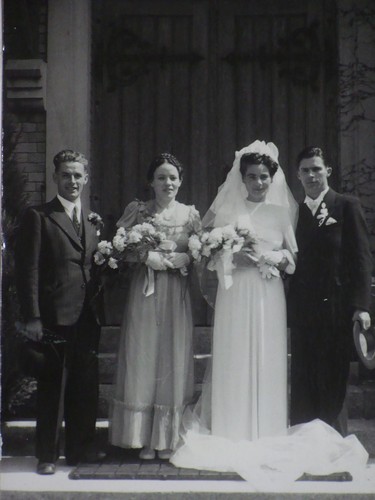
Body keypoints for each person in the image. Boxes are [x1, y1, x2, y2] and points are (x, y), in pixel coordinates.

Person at [170, 142, 369, 486]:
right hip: (239, 298)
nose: (259, 182)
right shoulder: (232, 212)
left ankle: (310, 442)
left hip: (280, 301)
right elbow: (210, 254)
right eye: (252, 177)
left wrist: (275, 260)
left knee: (279, 365)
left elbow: (294, 260)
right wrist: (234, 258)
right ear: (242, 179)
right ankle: (235, 429)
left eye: (264, 176)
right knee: (243, 361)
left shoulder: (287, 213)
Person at [15, 150, 104, 474]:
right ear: (55, 177)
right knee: (53, 385)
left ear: (86, 178)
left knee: (85, 385)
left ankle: (80, 451)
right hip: (53, 314)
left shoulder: (93, 221)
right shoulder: (39, 216)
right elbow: (28, 270)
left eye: (78, 175)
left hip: (88, 315)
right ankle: (47, 456)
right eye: (66, 175)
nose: (72, 181)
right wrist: (33, 317)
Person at [109, 153, 201, 460]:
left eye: (173, 177)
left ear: (181, 181)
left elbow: (203, 250)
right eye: (161, 177)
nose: (168, 183)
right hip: (145, 292)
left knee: (172, 356)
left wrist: (188, 257)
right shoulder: (139, 211)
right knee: (143, 354)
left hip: (176, 293)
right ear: (151, 182)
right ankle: (143, 438)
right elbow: (120, 247)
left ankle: (169, 437)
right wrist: (144, 257)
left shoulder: (190, 215)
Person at [288, 146, 373, 434]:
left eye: (316, 169)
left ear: (328, 171)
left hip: (336, 311)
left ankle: (333, 447)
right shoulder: (295, 213)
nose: (312, 175)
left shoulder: (346, 206)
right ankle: (303, 443)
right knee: (303, 379)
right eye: (305, 170)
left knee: (332, 380)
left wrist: (362, 306)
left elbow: (362, 258)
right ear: (297, 175)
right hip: (302, 313)